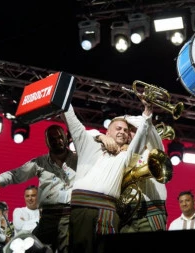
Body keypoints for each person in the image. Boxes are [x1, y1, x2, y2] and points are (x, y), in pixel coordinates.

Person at [62, 97, 154, 253]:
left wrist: (147, 112)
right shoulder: (89, 145)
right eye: (118, 128)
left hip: (107, 211)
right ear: (108, 131)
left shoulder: (126, 156)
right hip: (80, 209)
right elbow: (73, 122)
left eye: (125, 130)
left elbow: (140, 139)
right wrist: (59, 89)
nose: (123, 132)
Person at [0, 124, 77, 253]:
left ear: (65, 137)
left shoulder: (78, 159)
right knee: (32, 248)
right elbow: (16, 174)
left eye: (59, 137)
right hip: (47, 217)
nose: (57, 141)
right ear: (46, 142)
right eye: (52, 139)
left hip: (69, 215)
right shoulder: (40, 163)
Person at [117, 116, 170, 233]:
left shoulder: (152, 150)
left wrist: (125, 117)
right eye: (128, 130)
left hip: (152, 212)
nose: (131, 133)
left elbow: (146, 124)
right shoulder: (120, 153)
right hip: (127, 216)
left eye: (134, 129)